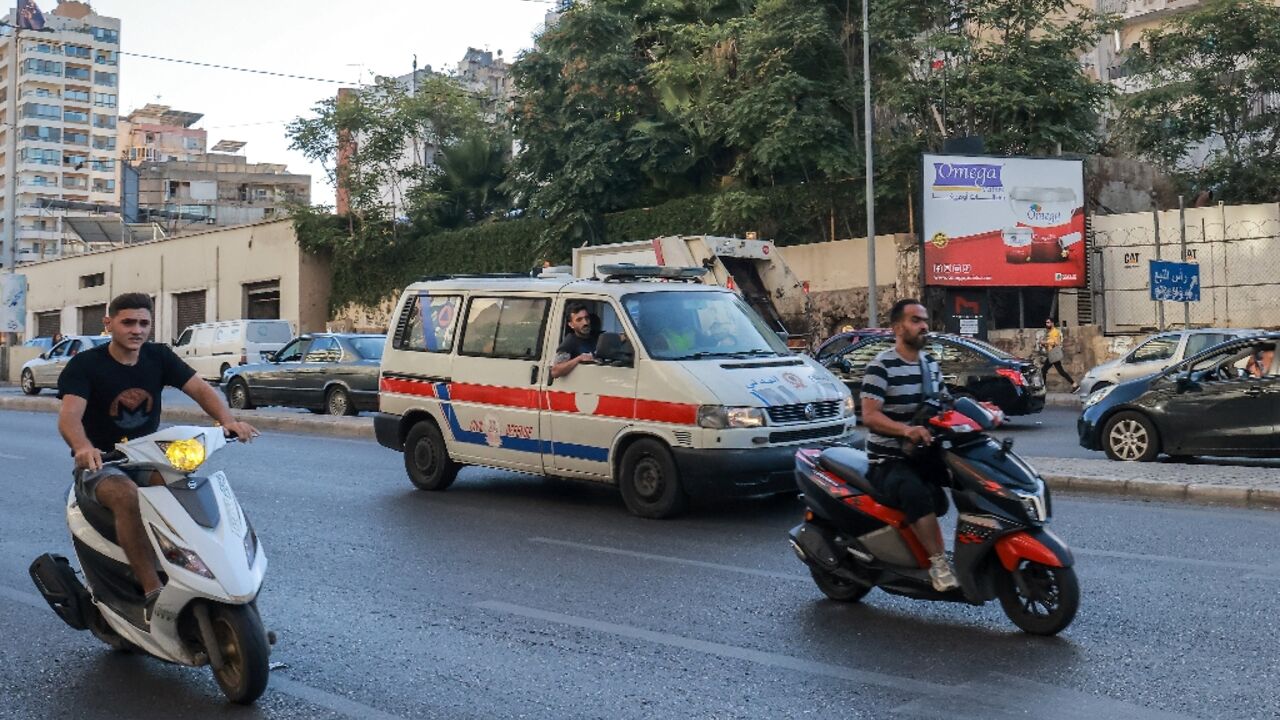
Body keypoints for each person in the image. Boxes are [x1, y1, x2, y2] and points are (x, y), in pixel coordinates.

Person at [57, 293, 258, 621]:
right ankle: (152, 591)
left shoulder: (158, 357)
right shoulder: (86, 365)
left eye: (144, 323)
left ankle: (202, 573)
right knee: (126, 496)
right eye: (128, 322)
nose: (137, 330)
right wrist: (83, 448)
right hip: (102, 463)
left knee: (185, 491)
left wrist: (228, 422)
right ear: (109, 324)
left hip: (150, 456)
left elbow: (201, 389)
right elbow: (69, 417)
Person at [861, 298, 957, 591]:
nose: (924, 326)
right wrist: (906, 430)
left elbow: (944, 404)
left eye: (925, 320)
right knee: (916, 494)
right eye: (915, 320)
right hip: (888, 460)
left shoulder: (930, 365)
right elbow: (870, 416)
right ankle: (938, 565)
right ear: (897, 328)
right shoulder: (881, 367)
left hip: (922, 455)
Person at [550, 302, 599, 379]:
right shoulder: (570, 342)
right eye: (579, 320)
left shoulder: (595, 338)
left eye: (587, 318)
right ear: (571, 324)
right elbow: (555, 371)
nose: (585, 322)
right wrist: (579, 359)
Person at [1040, 318, 1078, 392]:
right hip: (1051, 354)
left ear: (1052, 323)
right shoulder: (1050, 332)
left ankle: (1043, 388)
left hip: (1053, 354)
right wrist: (1044, 344)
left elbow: (1054, 342)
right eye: (1046, 323)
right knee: (1060, 371)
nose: (1047, 324)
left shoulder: (1055, 332)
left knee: (1043, 370)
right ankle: (1074, 384)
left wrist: (1044, 342)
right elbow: (1050, 343)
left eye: (1048, 322)